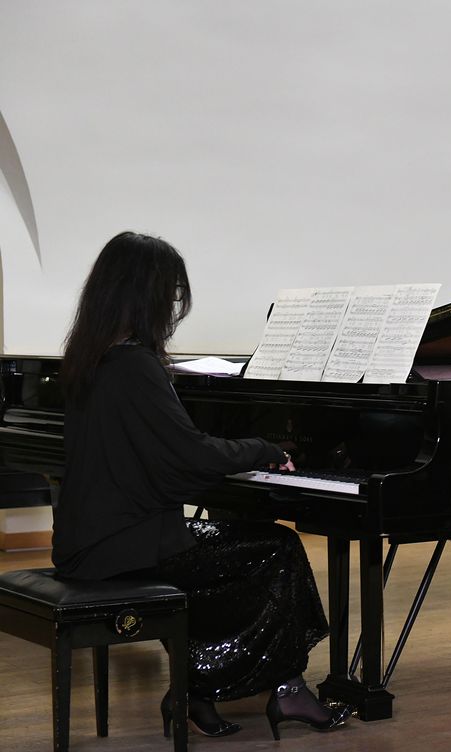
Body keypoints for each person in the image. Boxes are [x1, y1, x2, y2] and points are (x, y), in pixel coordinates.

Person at [53, 231, 351, 739]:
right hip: (124, 550)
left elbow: (161, 457)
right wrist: (262, 449)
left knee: (239, 549)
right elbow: (191, 456)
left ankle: (200, 689)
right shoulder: (135, 366)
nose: (173, 309)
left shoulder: (91, 356)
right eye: (170, 294)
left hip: (90, 542)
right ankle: (284, 690)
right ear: (143, 295)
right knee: (277, 549)